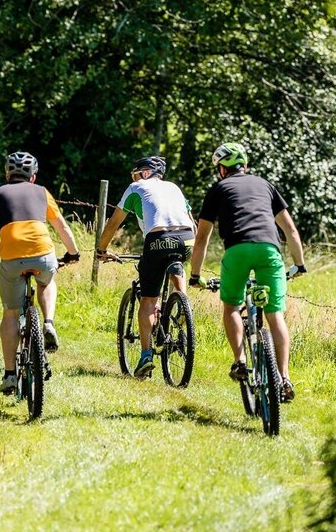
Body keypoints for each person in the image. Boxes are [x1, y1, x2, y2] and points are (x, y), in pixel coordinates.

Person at [188, 142, 307, 402]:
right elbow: (291, 231)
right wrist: (299, 264)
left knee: (231, 305)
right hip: (269, 250)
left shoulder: (218, 189)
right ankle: (284, 377)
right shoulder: (265, 185)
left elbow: (202, 238)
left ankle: (240, 361)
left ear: (221, 169)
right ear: (245, 165)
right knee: (275, 316)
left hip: (237, 251)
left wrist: (195, 275)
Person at [0, 151, 81, 395]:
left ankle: (9, 374)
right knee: (47, 281)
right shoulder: (42, 192)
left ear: (7, 173)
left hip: (12, 257)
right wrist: (73, 254)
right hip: (43, 254)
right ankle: (48, 323)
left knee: (10, 313)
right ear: (33, 176)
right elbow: (62, 226)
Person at [96, 155, 196, 378]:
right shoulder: (174, 187)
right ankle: (181, 305)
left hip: (158, 238)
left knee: (149, 299)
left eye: (137, 172)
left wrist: (101, 249)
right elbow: (191, 220)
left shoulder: (135, 188)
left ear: (146, 172)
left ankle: (145, 356)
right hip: (187, 238)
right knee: (176, 263)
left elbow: (113, 223)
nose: (134, 177)